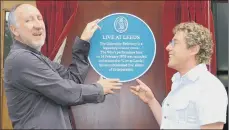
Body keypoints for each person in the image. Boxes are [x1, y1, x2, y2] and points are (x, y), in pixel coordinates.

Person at [4, 4, 122, 129]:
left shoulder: (37, 58)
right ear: (14, 29)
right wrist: (99, 89)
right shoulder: (21, 59)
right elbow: (64, 92)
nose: (38, 25)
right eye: (28, 20)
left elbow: (72, 79)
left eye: (39, 18)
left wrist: (83, 42)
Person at [130, 22, 228, 129]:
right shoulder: (179, 83)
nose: (168, 47)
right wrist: (151, 101)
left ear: (194, 49)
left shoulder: (209, 87)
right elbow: (169, 125)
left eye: (174, 43)